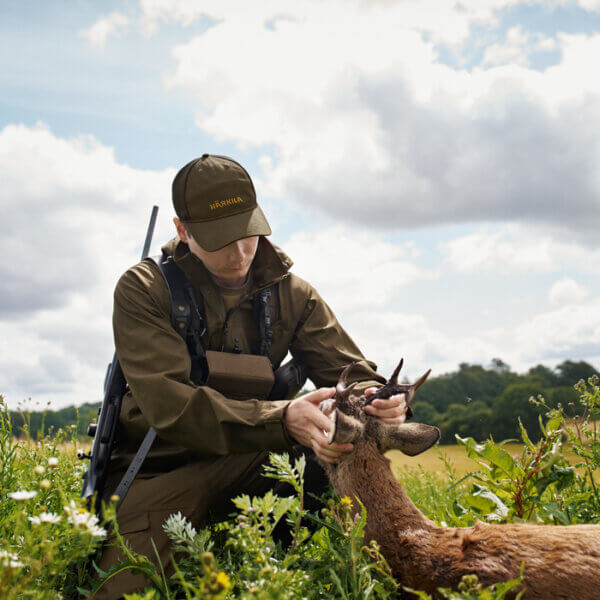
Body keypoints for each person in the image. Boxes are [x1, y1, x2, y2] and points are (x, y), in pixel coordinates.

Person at [94, 154, 408, 599]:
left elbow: (351, 373)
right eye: (221, 239)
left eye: (248, 233)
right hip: (163, 468)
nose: (241, 253)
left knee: (348, 443)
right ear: (183, 230)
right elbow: (171, 407)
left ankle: (315, 562)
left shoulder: (293, 293)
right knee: (125, 592)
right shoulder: (143, 290)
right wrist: (282, 419)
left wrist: (379, 398)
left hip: (257, 457)